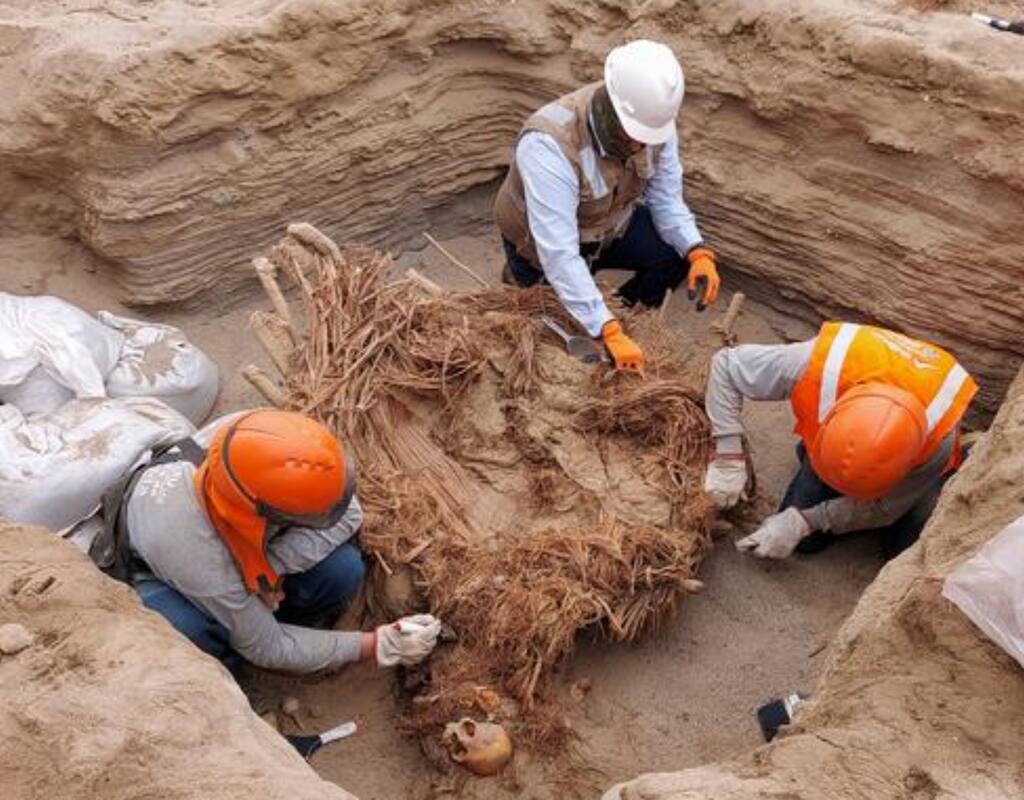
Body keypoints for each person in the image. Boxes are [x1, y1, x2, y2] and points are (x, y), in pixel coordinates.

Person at [106, 408, 441, 672]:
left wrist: (270, 569)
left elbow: (349, 513)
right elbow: (267, 648)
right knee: (187, 630)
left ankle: (289, 627)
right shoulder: (189, 550)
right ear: (261, 516)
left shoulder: (264, 438)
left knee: (342, 570)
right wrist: (376, 645)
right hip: (162, 573)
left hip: (229, 536)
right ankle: (230, 671)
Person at [494, 39, 721, 372]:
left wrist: (696, 250)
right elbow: (559, 252)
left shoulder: (653, 125)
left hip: (610, 226)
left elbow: (666, 199)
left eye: (648, 136)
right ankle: (525, 281)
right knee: (561, 340)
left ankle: (623, 315)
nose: (641, 144)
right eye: (633, 134)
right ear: (610, 108)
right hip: (542, 247)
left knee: (673, 256)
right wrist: (603, 326)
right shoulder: (550, 144)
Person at [704, 322, 977, 559]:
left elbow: (884, 509)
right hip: (853, 401)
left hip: (918, 475)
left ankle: (967, 457)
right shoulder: (812, 365)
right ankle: (820, 464)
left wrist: (806, 520)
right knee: (807, 544)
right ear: (830, 417)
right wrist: (728, 454)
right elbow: (726, 366)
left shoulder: (936, 441)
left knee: (902, 550)